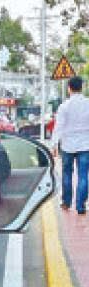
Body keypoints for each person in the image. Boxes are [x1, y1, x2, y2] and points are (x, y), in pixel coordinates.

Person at [51, 76, 89, 215]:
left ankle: (66, 202)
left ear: (69, 89)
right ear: (81, 87)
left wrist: (54, 144)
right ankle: (80, 206)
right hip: (85, 145)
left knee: (67, 173)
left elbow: (58, 127)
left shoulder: (64, 106)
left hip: (67, 145)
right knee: (83, 175)